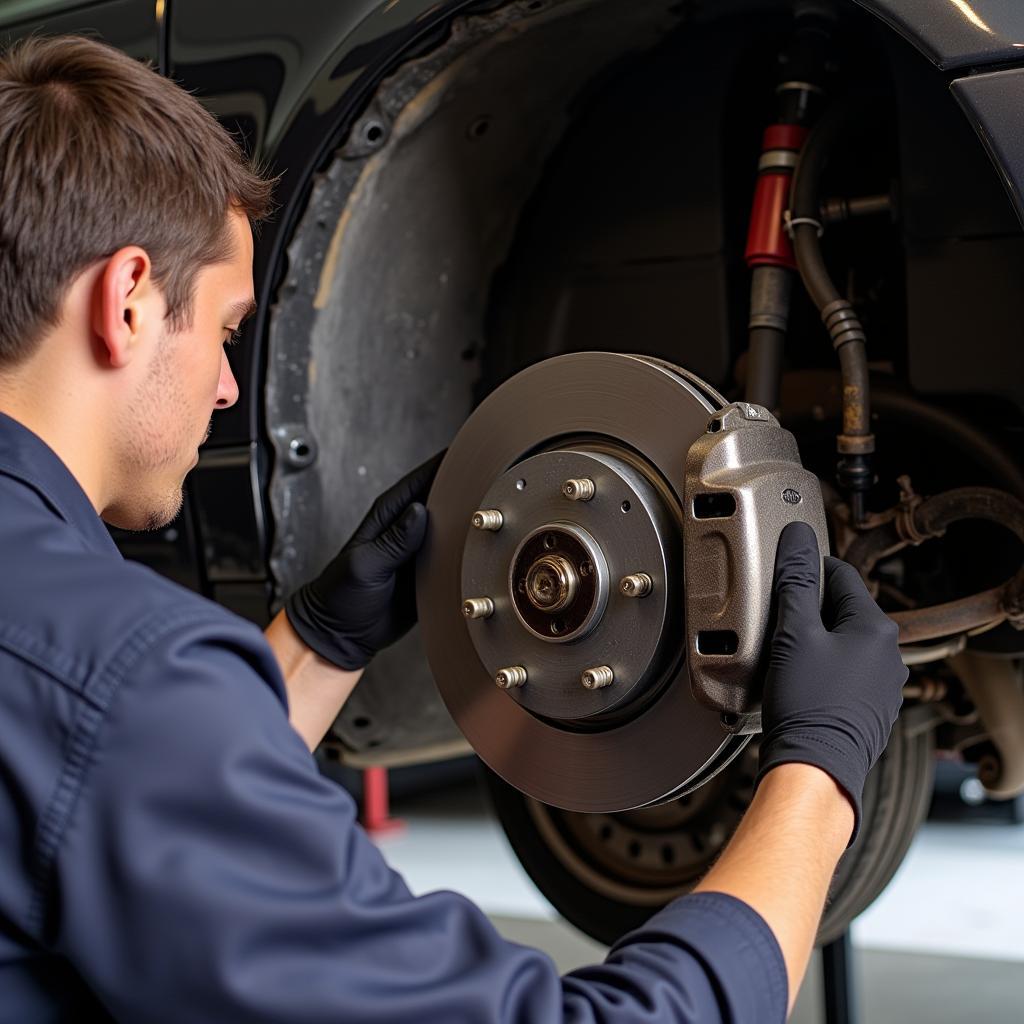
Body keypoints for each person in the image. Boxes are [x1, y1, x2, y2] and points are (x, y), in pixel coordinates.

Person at [0, 34, 907, 1023]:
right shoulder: (127, 676)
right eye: (223, 330)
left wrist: (316, 639)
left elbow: (94, 806)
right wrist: (820, 767)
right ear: (127, 300)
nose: (227, 386)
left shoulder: (71, 662)